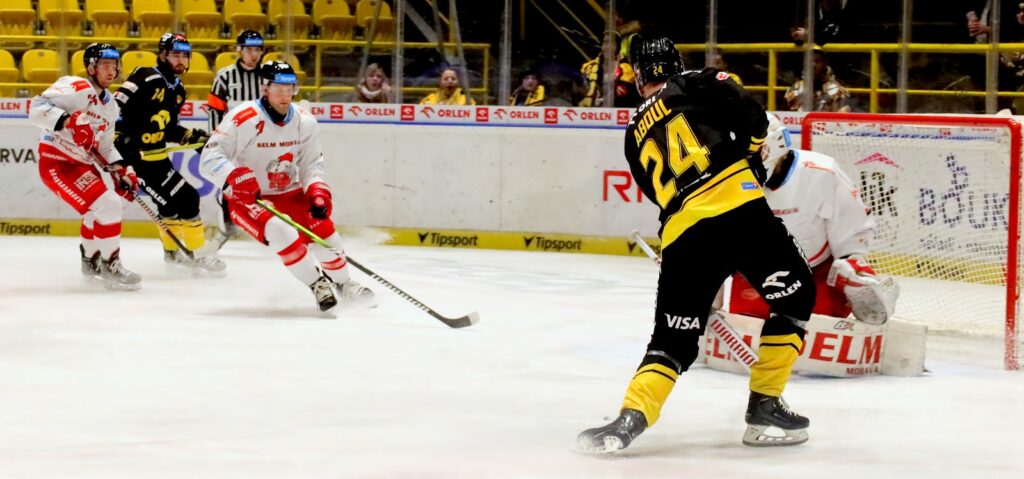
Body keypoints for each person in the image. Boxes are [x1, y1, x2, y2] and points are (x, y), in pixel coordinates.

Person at [576, 36, 816, 452]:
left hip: (682, 236)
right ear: (675, 62)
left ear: (638, 78)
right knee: (796, 297)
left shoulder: (632, 133)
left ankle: (630, 418)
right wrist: (750, 153)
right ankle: (765, 405)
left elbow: (659, 194)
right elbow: (753, 114)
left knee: (671, 341)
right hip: (739, 213)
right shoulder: (695, 82)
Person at [199, 61, 375, 312]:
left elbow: (312, 164)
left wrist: (317, 189)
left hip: (289, 194)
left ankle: (345, 284)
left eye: (289, 87)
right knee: (281, 231)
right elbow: (209, 158)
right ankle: (317, 284)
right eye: (278, 87)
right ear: (265, 88)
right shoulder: (243, 118)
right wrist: (234, 177)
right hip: (248, 199)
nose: (285, 94)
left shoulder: (305, 121)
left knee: (323, 229)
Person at [729, 113, 899, 326]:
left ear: (777, 144)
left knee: (814, 327)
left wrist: (853, 265)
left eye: (752, 152)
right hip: (755, 276)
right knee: (744, 328)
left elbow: (853, 225)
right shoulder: (722, 180)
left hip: (816, 274)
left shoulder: (821, 172)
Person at [29, 43, 141, 290]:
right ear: (91, 68)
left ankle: (90, 261)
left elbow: (106, 146)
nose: (111, 71)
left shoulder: (111, 106)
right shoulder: (76, 86)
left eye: (114, 66)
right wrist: (68, 120)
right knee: (109, 205)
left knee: (96, 212)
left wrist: (122, 170)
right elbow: (35, 109)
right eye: (105, 65)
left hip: (81, 165)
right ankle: (111, 265)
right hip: (57, 163)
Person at [114, 32, 224, 275]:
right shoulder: (145, 75)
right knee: (188, 198)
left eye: (185, 55)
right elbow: (114, 108)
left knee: (171, 206)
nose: (181, 60)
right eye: (175, 55)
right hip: (137, 161)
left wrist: (192, 138)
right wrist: (120, 153)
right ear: (162, 55)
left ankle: (172, 253)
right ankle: (198, 255)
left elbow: (169, 128)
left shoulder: (178, 89)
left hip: (159, 158)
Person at [206, 30, 266, 251]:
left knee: (268, 185)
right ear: (239, 50)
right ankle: (226, 229)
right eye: (249, 49)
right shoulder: (225, 76)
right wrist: (214, 139)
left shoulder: (268, 77)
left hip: (262, 141)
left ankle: (271, 231)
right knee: (230, 186)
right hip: (232, 142)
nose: (254, 54)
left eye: (257, 49)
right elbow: (215, 109)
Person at [784, 48, 851, 112]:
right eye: (809, 62)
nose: (813, 65)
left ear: (825, 63)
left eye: (817, 61)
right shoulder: (796, 88)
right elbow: (786, 114)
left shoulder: (837, 90)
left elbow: (844, 115)